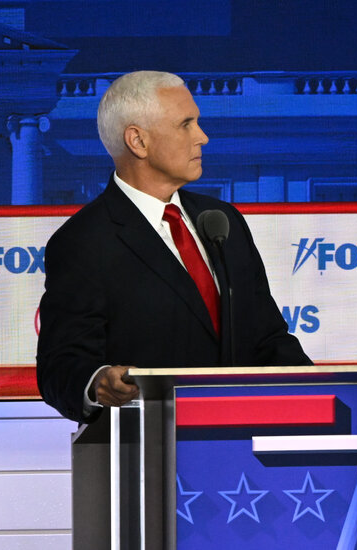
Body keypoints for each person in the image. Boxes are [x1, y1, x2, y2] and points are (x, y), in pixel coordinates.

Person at [37, 71, 311, 423]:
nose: (203, 137)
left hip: (243, 435)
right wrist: (99, 382)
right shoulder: (84, 241)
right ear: (138, 141)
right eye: (186, 125)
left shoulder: (222, 220)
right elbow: (61, 366)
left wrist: (324, 392)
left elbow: (267, 338)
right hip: (147, 441)